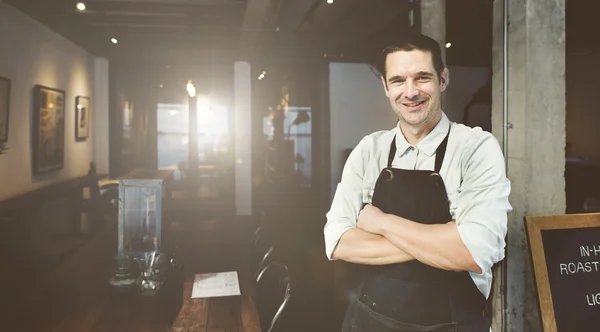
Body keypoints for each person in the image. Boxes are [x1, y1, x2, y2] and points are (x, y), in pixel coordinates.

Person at [323, 33, 512, 332]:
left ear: (443, 79)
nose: (410, 92)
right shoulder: (368, 150)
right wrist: (446, 241)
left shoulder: (476, 148)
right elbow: (336, 242)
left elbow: (477, 252)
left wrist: (381, 222)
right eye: (398, 80)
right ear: (386, 87)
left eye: (422, 77)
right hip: (368, 322)